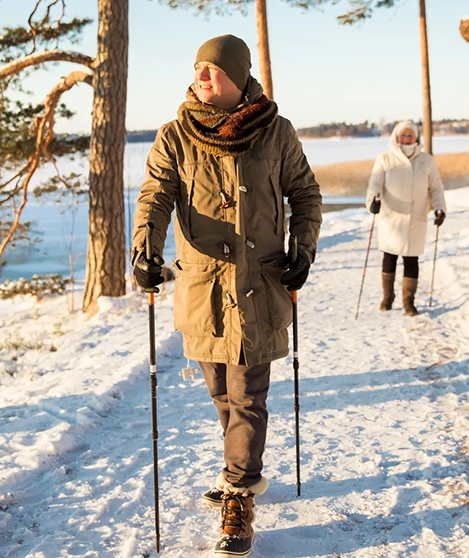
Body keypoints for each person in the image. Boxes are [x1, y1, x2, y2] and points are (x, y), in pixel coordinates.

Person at [130, 34, 322, 557]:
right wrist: (144, 250)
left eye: (212, 69)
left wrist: (302, 249)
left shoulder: (276, 132)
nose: (201, 76)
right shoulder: (176, 135)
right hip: (204, 286)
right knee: (220, 390)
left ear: (237, 77)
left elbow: (304, 193)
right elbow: (155, 195)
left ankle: (240, 490)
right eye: (197, 68)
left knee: (247, 392)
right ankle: (242, 466)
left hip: (260, 284)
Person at [366, 121, 447, 316]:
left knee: (412, 261)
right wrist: (373, 201)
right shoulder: (385, 158)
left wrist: (439, 208)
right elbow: (375, 184)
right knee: (389, 258)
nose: (406, 139)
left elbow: (435, 187)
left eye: (410, 135)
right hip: (391, 218)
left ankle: (408, 302)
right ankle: (388, 297)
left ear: (417, 138)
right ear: (395, 137)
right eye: (402, 135)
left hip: (415, 217)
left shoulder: (426, 161)